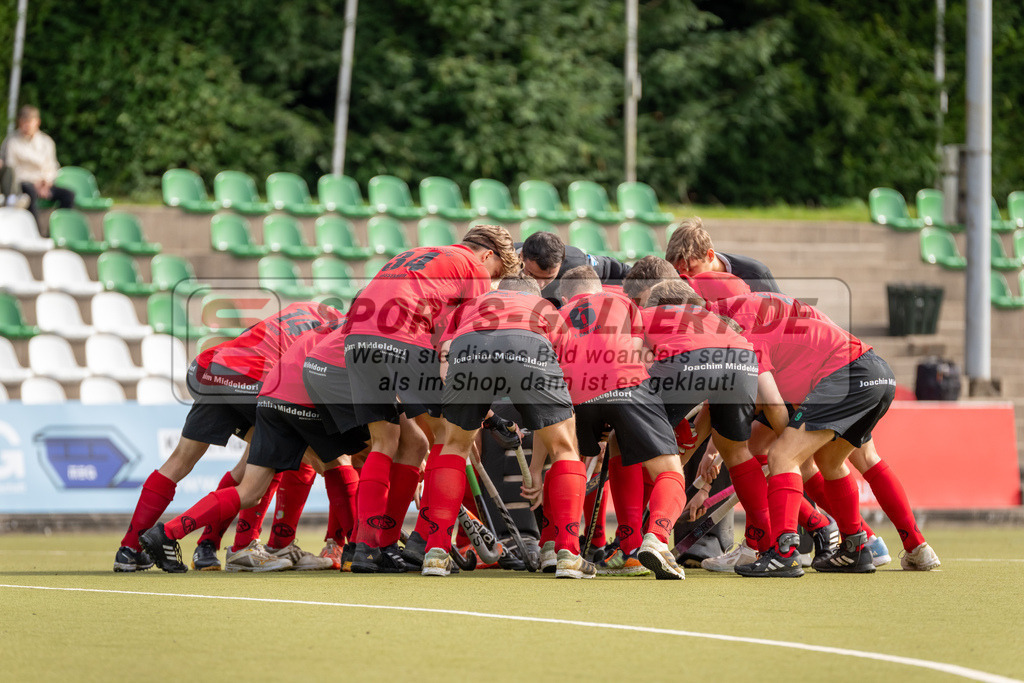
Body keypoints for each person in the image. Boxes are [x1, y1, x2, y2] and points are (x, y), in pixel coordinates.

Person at [341, 225, 519, 573]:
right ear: (487, 256)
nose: (491, 280)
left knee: (383, 441)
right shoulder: (472, 267)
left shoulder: (416, 254)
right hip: (403, 337)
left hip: (356, 340)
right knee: (449, 437)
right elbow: (466, 341)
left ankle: (365, 548)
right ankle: (425, 540)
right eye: (495, 273)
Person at [114, 301, 336, 572]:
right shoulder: (338, 328)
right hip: (256, 377)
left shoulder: (304, 308)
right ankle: (242, 546)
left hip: (214, 367)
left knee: (181, 461)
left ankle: (131, 550)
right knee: (275, 458)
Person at [434, 273, 592, 578]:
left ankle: (436, 553)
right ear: (534, 292)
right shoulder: (545, 306)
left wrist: (484, 415)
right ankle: (567, 553)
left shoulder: (470, 305)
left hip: (468, 349)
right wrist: (536, 468)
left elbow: (445, 368)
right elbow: (555, 407)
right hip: (528, 345)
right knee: (565, 447)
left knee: (453, 446)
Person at [555, 266, 687, 580]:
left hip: (574, 390)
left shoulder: (557, 314)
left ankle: (563, 551)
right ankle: (653, 539)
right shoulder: (620, 301)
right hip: (625, 381)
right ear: (599, 287)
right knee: (669, 470)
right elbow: (644, 350)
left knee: (569, 463)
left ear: (565, 297)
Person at [1, 105, 75, 228]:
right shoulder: (12, 141)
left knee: (68, 195)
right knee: (30, 190)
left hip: (44, 184)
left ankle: (59, 229)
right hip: (23, 184)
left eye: (29, 122)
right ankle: (37, 231)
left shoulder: (47, 142)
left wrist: (46, 182)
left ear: (37, 122)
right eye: (23, 122)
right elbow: (11, 170)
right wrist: (34, 182)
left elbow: (52, 166)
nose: (26, 125)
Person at [665, 217, 779, 293]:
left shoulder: (755, 275)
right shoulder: (675, 277)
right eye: (679, 270)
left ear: (710, 255)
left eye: (691, 269)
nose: (685, 277)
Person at [518, 231, 631, 306]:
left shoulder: (577, 263)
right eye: (532, 274)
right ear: (521, 256)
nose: (540, 284)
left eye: (549, 277)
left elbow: (624, 271)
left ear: (562, 262)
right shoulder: (502, 260)